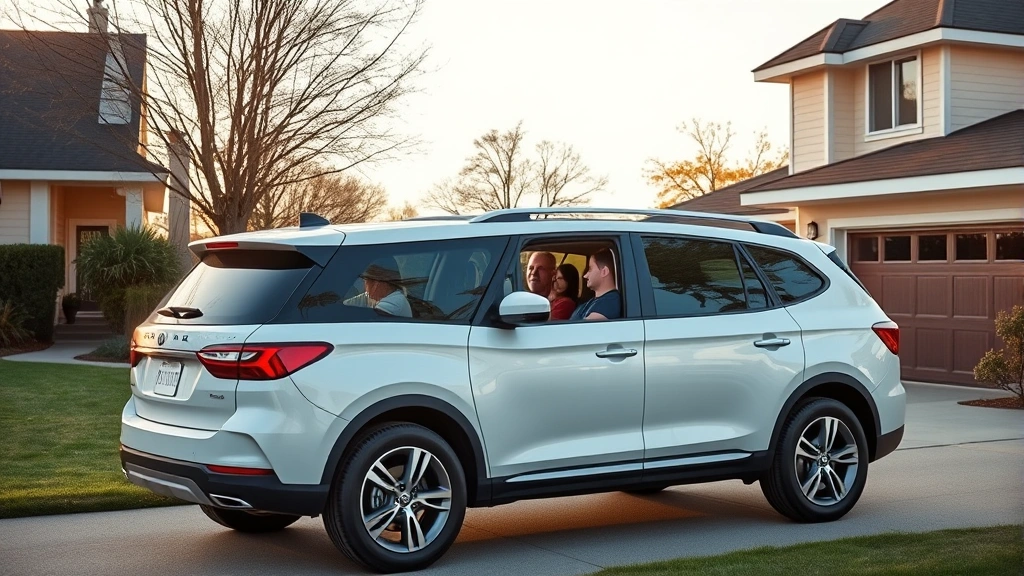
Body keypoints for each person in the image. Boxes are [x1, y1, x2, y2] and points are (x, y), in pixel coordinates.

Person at [344, 256, 413, 317]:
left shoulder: (394, 302)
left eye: (365, 280)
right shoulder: (381, 296)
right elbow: (346, 304)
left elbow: (370, 321)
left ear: (377, 283)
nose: (365, 286)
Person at [570, 248, 621, 321]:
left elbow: (581, 330)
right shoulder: (595, 301)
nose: (585, 275)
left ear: (604, 272)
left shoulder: (609, 303)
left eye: (590, 269)